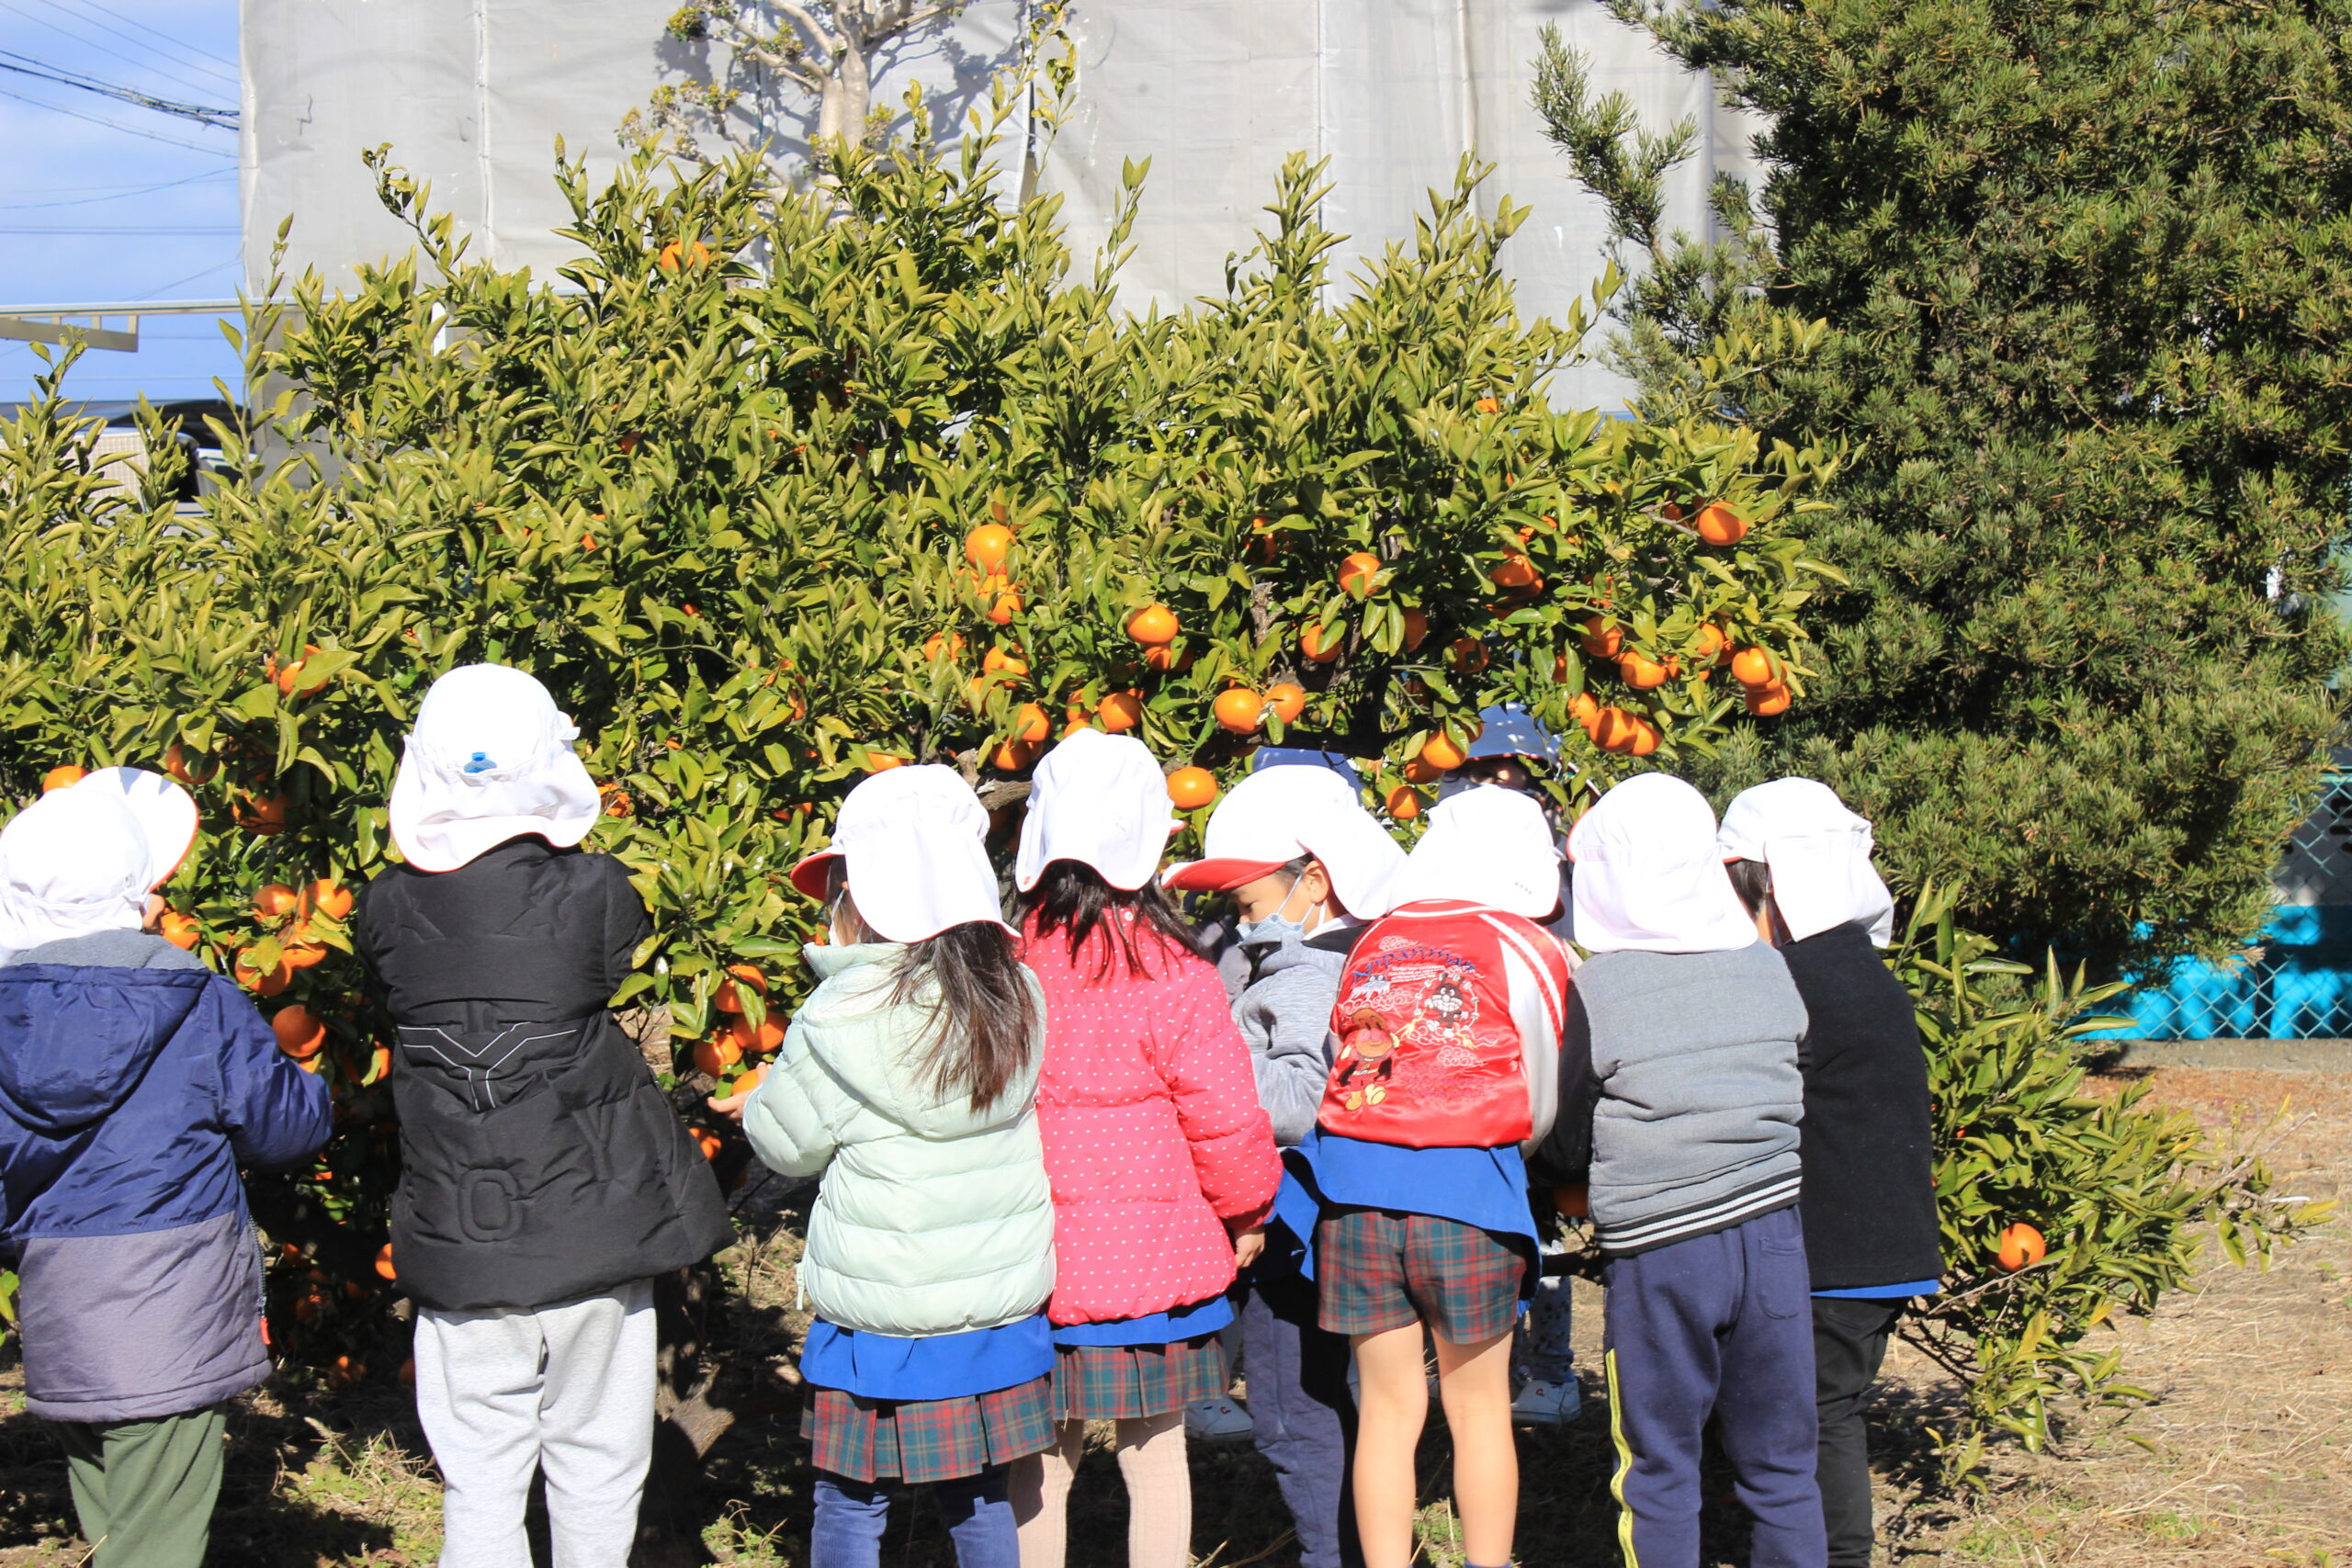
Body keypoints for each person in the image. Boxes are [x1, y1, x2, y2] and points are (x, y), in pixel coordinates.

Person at [355, 663, 733, 1568]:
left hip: (457, 1243)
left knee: (478, 1473)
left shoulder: (385, 907)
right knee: (598, 1465)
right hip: (591, 1229)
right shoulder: (595, 891)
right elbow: (606, 962)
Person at [720, 765, 1056, 1568]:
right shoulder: (1018, 996)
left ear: (861, 896)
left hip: (880, 1318)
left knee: (849, 1497)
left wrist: (763, 1095)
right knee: (978, 1496)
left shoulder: (841, 1015)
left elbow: (787, 1145)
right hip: (993, 1307)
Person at [0, 770, 332, 1568]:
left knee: (116, 1520)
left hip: (61, 1304)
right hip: (172, 1305)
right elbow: (283, 1130)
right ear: (134, 900)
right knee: (156, 1544)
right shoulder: (201, 1002)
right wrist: (311, 1085)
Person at [1005, 729, 1283, 1568]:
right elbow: (1225, 1115)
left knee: (1041, 1461)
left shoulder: (1005, 963)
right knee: (1156, 1454)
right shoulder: (1175, 971)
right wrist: (1246, 1208)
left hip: (1030, 1258)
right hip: (1154, 1266)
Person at [1279, 784, 1574, 1568]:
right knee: (1480, 1412)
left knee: (1384, 1409)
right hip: (1468, 1194)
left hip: (1354, 1199)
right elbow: (1541, 1091)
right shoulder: (1524, 944)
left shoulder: (1373, 937)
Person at [1535, 773, 1825, 1568]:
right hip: (1773, 1233)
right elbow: (1796, 1065)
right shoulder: (1768, 966)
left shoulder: (1598, 988)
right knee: (1782, 1463)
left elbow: (1563, 1139)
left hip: (1664, 1250)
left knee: (1659, 1464)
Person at [1161, 761, 1406, 1568]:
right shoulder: (1382, 953)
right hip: (1361, 1217)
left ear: (1316, 878)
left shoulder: (1309, 968)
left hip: (1298, 1230)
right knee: (1347, 1399)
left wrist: (1202, 1054)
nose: (1235, 921)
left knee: (1291, 1408)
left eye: (1245, 903)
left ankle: (1330, 1554)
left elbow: (1297, 1096)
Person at [1720, 778, 1942, 1568]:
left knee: (1814, 1418)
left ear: (1769, 882)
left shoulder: (1801, 979)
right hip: (1879, 1243)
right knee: (1822, 1411)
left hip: (1835, 1253)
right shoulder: (1853, 962)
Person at [1434, 702, 1584, 1426]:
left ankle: (1552, 1369)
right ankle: (1499, 1366)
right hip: (1473, 1082)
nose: (1500, 782)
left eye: (1514, 771)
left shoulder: (1554, 870)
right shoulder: (1445, 863)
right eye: (1485, 769)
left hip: (1539, 1075)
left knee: (1545, 1229)